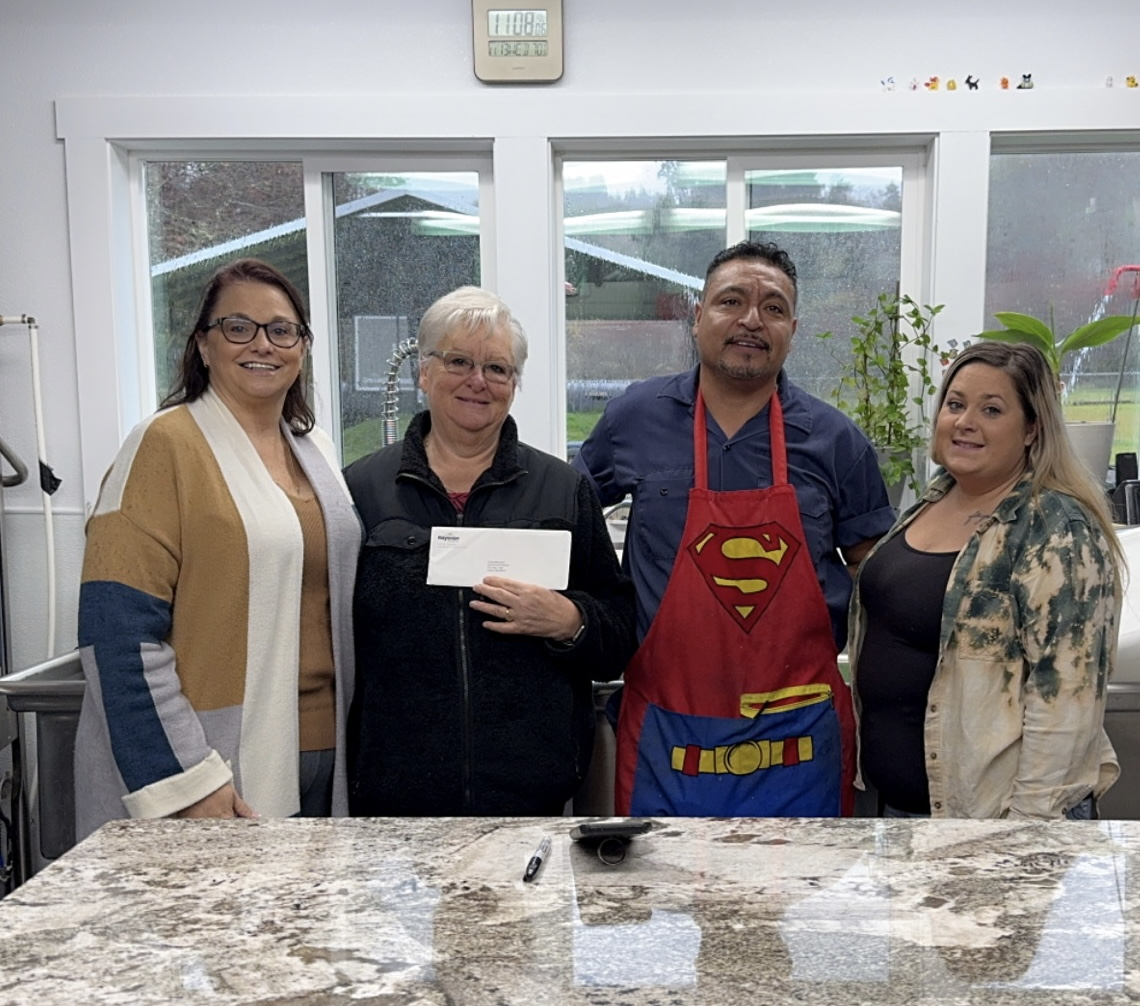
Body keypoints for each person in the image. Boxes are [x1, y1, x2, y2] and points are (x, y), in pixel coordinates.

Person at [573, 240, 895, 817]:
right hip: (665, 741)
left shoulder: (836, 441)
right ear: (697, 317)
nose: (751, 320)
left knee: (804, 903)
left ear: (793, 329)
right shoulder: (634, 419)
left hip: (800, 743)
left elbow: (875, 571)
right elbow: (567, 521)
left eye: (773, 308)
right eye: (731, 301)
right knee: (665, 900)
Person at [74, 258, 360, 839]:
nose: (263, 344)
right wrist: (186, 780)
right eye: (238, 327)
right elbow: (117, 637)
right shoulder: (162, 446)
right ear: (203, 345)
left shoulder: (317, 450)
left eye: (282, 330)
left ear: (301, 348)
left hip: (323, 754)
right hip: (211, 761)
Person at [345, 285, 636, 816]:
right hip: (394, 810)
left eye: (497, 369)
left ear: (514, 384)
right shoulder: (361, 491)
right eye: (459, 361)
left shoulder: (562, 490)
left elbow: (619, 634)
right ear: (424, 372)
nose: (478, 381)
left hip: (533, 802)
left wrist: (569, 619)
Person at [849, 340, 1121, 819]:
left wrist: (1025, 832)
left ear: (1033, 429)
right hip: (906, 813)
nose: (965, 422)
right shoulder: (930, 502)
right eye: (955, 405)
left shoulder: (1056, 529)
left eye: (991, 410)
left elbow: (1066, 701)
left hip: (998, 823)